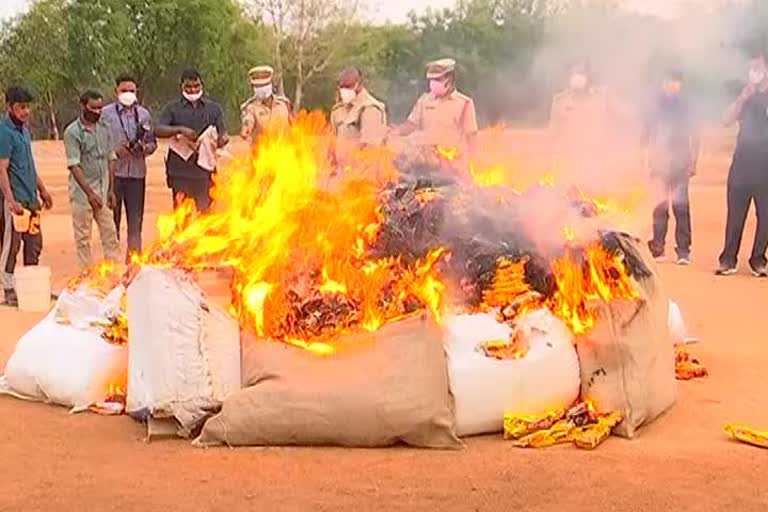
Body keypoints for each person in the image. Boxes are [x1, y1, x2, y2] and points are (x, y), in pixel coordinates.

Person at [0, 86, 54, 306]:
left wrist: (42, 190)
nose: (26, 111)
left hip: (31, 199)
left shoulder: (24, 130)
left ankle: (32, 286)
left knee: (34, 243)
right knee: (12, 244)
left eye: (28, 107)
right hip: (16, 200)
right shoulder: (4, 132)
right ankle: (9, 288)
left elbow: (29, 164)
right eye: (22, 107)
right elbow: (2, 169)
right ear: (10, 107)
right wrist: (11, 201)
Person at [717, 50, 768, 277]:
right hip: (741, 164)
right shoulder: (744, 96)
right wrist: (742, 97)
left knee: (766, 216)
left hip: (765, 165)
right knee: (735, 215)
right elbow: (725, 119)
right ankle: (728, 259)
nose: (754, 73)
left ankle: (758, 259)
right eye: (751, 69)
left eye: (758, 68)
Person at [644, 69, 700, 265]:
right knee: (660, 206)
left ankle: (683, 250)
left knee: (681, 207)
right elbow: (648, 136)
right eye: (669, 81)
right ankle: (658, 247)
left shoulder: (686, 107)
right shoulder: (656, 106)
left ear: (681, 84)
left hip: (681, 163)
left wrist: (693, 162)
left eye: (676, 81)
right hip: (660, 164)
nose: (672, 85)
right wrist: (650, 161)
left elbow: (696, 135)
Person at [101, 74, 157, 261]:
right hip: (113, 174)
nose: (128, 94)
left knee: (135, 222)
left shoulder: (144, 114)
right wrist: (115, 151)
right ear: (115, 91)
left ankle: (133, 263)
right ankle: (113, 263)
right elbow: (99, 142)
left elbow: (152, 143)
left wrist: (144, 149)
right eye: (124, 90)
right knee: (112, 221)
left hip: (137, 174)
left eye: (132, 91)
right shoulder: (105, 114)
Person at [63, 90, 120, 270]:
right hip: (82, 195)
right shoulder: (72, 132)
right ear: (83, 106)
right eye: (93, 108)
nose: (97, 111)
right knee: (83, 238)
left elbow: (110, 158)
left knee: (110, 235)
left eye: (99, 108)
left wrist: (111, 190)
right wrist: (89, 194)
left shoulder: (104, 128)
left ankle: (114, 273)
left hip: (103, 192)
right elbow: (74, 165)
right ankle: (86, 278)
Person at [156, 69, 228, 212]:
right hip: (179, 171)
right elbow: (158, 130)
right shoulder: (172, 109)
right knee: (182, 216)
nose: (193, 90)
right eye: (188, 87)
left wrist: (221, 140)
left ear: (202, 85)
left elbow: (223, 134)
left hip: (205, 172)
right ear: (181, 86)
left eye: (196, 86)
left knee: (207, 215)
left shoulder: (213, 109)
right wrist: (180, 130)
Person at [396, 58, 478, 158]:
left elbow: (471, 137)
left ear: (450, 79)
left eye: (438, 79)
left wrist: (474, 160)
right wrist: (395, 132)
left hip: (450, 163)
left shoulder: (464, 104)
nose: (433, 83)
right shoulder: (424, 100)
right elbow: (411, 125)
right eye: (431, 80)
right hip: (424, 161)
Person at [330, 67, 387, 165]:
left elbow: (370, 149)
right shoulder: (338, 109)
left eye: (348, 87)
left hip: (362, 171)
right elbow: (334, 140)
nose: (344, 91)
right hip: (341, 171)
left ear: (358, 84)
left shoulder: (370, 108)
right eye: (342, 87)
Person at [239, 66, 291, 142]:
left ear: (271, 84)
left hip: (285, 150)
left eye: (264, 85)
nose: (261, 89)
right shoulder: (251, 108)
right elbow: (248, 121)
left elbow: (293, 126)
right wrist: (246, 129)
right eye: (257, 87)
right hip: (263, 151)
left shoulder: (284, 104)